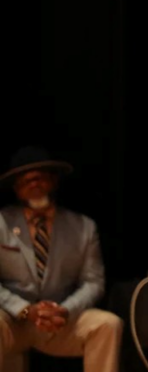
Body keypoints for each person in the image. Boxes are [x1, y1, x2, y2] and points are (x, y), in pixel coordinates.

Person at [0, 146, 123, 372]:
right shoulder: (1, 223)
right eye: (26, 181)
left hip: (60, 321)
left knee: (107, 324)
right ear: (16, 189)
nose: (34, 185)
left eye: (40, 178)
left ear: (54, 181)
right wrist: (26, 310)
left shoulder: (83, 228)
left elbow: (93, 282)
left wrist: (64, 310)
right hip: (13, 320)